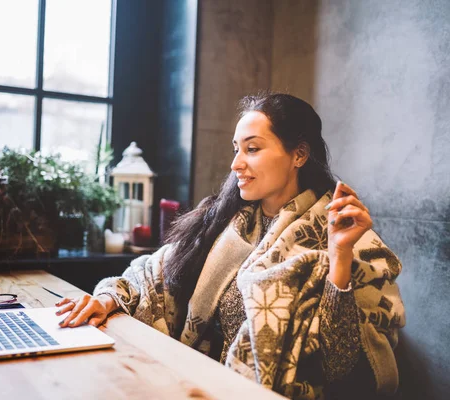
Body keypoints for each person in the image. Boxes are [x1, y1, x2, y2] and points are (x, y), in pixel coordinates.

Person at [55, 93, 405, 399]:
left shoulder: (341, 235)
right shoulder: (228, 222)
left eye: (252, 149)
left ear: (298, 155)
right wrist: (107, 299)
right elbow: (153, 273)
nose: (236, 163)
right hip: (196, 384)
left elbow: (338, 367)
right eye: (237, 149)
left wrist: (340, 256)